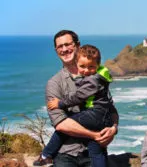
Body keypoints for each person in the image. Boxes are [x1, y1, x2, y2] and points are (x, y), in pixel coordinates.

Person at [33, 30, 118, 167]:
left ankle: (45, 154)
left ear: (78, 45)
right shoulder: (54, 83)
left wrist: (113, 129)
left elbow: (110, 107)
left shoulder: (94, 76)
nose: (64, 49)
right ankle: (47, 155)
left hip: (93, 150)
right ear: (56, 51)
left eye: (68, 44)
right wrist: (94, 135)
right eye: (60, 46)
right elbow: (61, 124)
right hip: (66, 154)